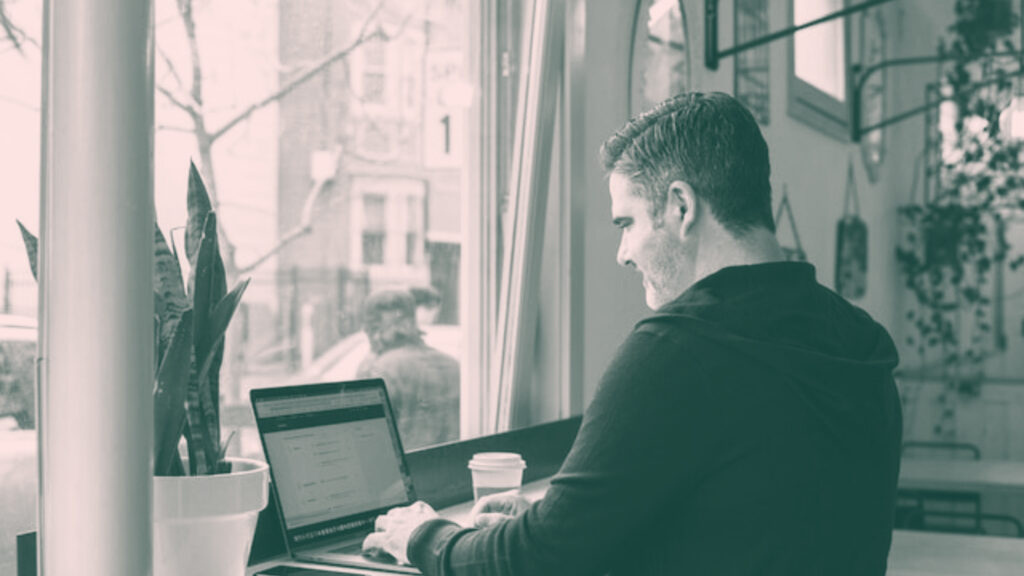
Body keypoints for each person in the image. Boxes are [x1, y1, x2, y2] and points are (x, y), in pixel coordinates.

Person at [362, 92, 903, 575]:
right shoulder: (854, 341)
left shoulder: (680, 349)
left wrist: (423, 537)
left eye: (627, 223)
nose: (622, 253)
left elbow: (534, 562)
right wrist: (576, 521)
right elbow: (757, 525)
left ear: (681, 207)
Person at [356, 288, 460, 450]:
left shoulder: (377, 370)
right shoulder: (453, 365)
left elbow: (364, 443)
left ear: (374, 329)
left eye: (369, 329)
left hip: (408, 471)